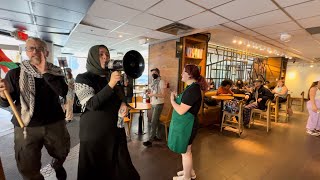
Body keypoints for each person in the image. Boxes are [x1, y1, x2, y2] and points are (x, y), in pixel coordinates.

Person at [0, 37, 70, 180]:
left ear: (47, 53)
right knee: (27, 166)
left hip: (55, 123)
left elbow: (63, 92)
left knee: (62, 152)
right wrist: (2, 95)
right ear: (26, 52)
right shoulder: (14, 74)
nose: (35, 52)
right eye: (31, 48)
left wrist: (45, 73)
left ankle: (57, 164)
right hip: (25, 126)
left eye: (39, 49)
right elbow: (5, 104)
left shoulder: (55, 72)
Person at [74, 45, 139, 180]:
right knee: (95, 172)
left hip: (115, 131)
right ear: (92, 57)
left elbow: (121, 97)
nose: (105, 57)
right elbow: (91, 104)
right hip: (94, 134)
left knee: (124, 170)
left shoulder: (111, 76)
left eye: (107, 54)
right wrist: (110, 84)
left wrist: (123, 103)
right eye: (101, 54)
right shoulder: (82, 78)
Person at [168, 64, 208, 180]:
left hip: (188, 126)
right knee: (187, 151)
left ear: (190, 75)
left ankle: (186, 177)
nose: (181, 74)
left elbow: (180, 110)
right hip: (187, 124)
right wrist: (176, 98)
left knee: (186, 152)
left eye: (184, 72)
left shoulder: (193, 90)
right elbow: (185, 104)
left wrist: (172, 101)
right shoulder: (191, 88)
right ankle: (190, 172)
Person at [143, 68, 165, 147]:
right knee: (157, 120)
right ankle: (157, 136)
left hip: (159, 104)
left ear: (158, 73)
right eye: (152, 73)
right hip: (154, 103)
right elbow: (152, 91)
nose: (153, 75)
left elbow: (163, 95)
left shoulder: (161, 82)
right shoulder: (153, 82)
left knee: (153, 122)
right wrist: (148, 92)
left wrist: (153, 95)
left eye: (155, 73)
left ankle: (150, 140)